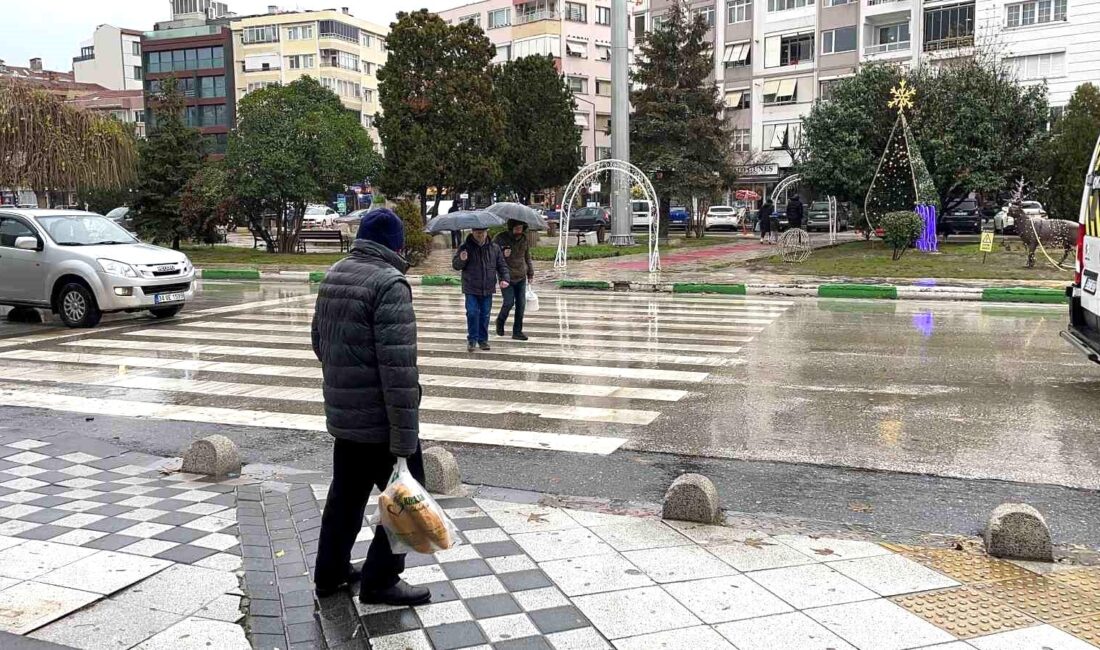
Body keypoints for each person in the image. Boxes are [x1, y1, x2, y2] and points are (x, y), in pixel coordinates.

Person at [311, 208, 431, 607]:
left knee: (345, 496)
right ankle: (381, 580)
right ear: (396, 245)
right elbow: (398, 372)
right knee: (408, 496)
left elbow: (319, 344)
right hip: (380, 422)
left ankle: (330, 573)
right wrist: (404, 439)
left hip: (344, 416)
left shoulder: (335, 273)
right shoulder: (389, 283)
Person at [453, 228, 510, 352]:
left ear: (487, 232)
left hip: (488, 287)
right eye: (478, 232)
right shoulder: (465, 247)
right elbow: (456, 266)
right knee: (472, 312)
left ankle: (483, 340)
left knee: (485, 314)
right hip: (471, 287)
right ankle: (472, 339)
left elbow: (502, 265)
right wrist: (462, 259)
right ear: (473, 232)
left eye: (483, 232)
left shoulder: (494, 248)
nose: (480, 234)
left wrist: (505, 278)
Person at [493, 219, 534, 341]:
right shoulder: (500, 238)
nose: (519, 231)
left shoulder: (524, 239)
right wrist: (502, 254)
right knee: (508, 302)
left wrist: (530, 273)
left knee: (521, 305)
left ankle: (517, 331)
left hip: (521, 275)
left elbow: (527, 256)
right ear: (511, 228)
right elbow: (492, 255)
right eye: (516, 228)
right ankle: (500, 321)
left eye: (521, 228)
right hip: (506, 277)